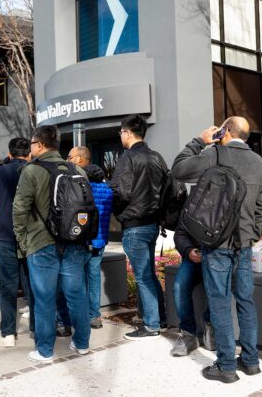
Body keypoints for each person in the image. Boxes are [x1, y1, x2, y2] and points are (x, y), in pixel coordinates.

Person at [172, 116, 262, 383]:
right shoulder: (258, 162)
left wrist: (199, 141)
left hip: (216, 244)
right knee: (245, 302)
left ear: (224, 132)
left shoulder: (215, 153)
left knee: (219, 303)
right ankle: (250, 361)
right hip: (244, 245)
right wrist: (251, 235)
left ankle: (226, 366)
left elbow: (179, 170)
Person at [13, 125, 91, 363]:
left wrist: (22, 241)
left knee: (45, 298)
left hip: (41, 243)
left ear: (39, 145)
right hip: (74, 241)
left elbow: (20, 208)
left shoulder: (31, 171)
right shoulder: (77, 169)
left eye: (32, 143)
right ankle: (82, 343)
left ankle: (45, 350)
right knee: (76, 294)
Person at [109, 114, 167, 340]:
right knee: (148, 274)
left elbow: (121, 191)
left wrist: (118, 211)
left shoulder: (128, 157)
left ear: (126, 133)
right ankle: (158, 317)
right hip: (153, 223)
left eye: (121, 132)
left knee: (143, 276)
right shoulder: (156, 157)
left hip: (134, 224)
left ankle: (151, 325)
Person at [0, 138, 35, 347]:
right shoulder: (35, 170)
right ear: (28, 154)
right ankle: (37, 330)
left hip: (5, 236)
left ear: (10, 154)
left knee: (8, 286)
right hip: (31, 236)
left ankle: (8, 333)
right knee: (33, 284)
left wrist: (0, 220)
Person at [60, 146, 113, 329]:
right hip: (100, 241)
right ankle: (95, 316)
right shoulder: (107, 190)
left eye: (70, 156)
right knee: (94, 277)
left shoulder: (82, 188)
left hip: (82, 240)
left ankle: (78, 316)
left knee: (77, 279)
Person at [169, 220, 214, 357]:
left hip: (218, 255)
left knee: (217, 287)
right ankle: (188, 335)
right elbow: (180, 233)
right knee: (179, 286)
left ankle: (210, 324)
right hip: (194, 255)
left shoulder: (224, 199)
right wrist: (188, 251)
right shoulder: (193, 200)